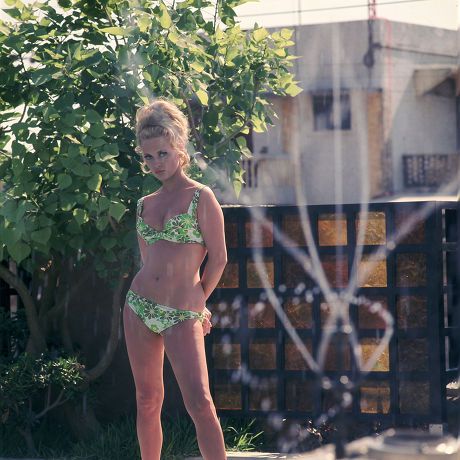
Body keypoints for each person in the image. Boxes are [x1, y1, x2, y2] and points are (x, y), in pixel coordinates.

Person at [123, 98, 228, 460]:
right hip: (138, 306)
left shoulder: (201, 197)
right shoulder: (144, 204)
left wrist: (201, 302)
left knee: (200, 403)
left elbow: (219, 258)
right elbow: (148, 259)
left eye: (163, 154)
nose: (156, 164)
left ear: (179, 147)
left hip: (183, 313)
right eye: (148, 157)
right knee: (147, 399)